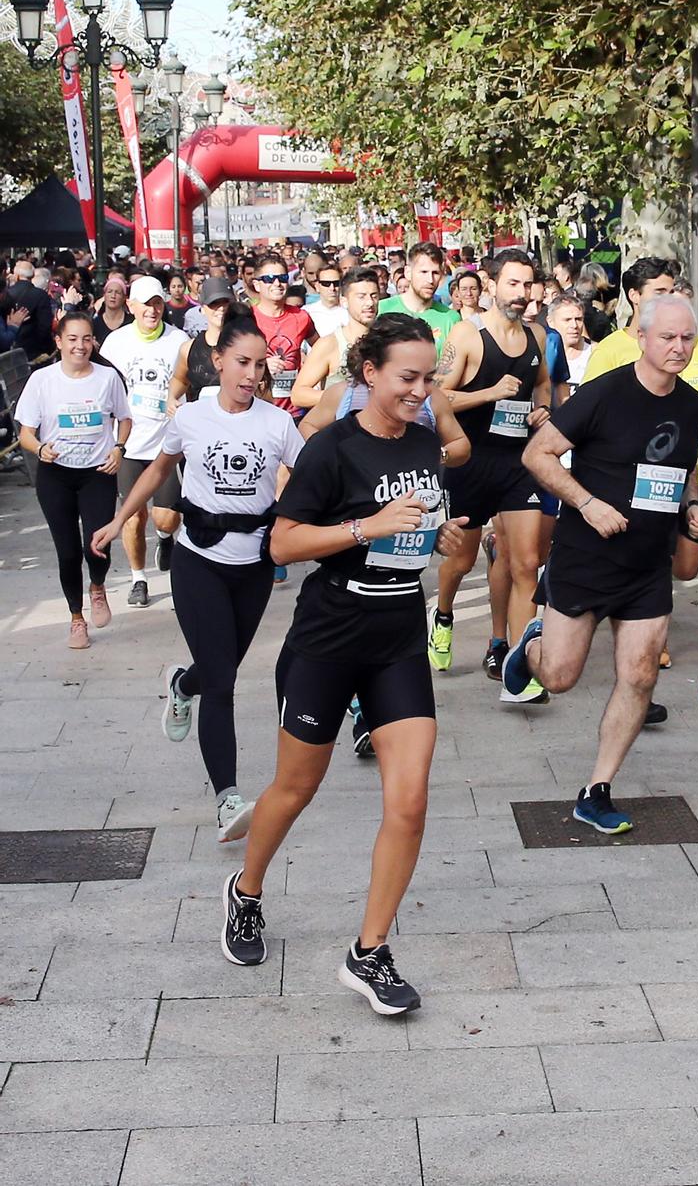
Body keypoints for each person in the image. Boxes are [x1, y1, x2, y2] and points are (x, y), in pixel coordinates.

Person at [222, 314, 468, 1015]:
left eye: (429, 378)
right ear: (370, 374)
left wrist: (441, 535)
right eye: (408, 378)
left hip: (396, 636)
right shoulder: (330, 448)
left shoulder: (426, 445)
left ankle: (370, 952)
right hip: (328, 637)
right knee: (294, 790)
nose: (422, 390)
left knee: (410, 800)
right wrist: (367, 528)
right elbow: (282, 544)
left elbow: (423, 533)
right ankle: (247, 892)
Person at [499, 295, 698, 832]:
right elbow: (537, 455)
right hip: (586, 556)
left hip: (646, 565)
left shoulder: (690, 404)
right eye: (667, 337)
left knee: (640, 675)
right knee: (562, 676)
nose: (678, 348)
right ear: (641, 337)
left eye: (687, 338)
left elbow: (682, 468)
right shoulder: (603, 394)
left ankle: (597, 789)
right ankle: (532, 647)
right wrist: (588, 504)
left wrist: (691, 508)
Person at [95, 318, 301, 843]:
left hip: (253, 565)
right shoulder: (191, 417)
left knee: (218, 669)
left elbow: (313, 478)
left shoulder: (277, 426)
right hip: (198, 560)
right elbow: (158, 470)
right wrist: (121, 519)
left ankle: (181, 684)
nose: (252, 375)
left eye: (260, 365)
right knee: (225, 683)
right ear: (220, 362)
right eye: (242, 363)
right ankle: (227, 799)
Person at [583, 256, 698, 674]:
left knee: (685, 567)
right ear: (634, 297)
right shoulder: (613, 349)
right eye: (659, 291)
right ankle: (646, 649)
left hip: (691, 472)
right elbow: (586, 415)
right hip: (626, 482)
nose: (669, 298)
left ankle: (641, 639)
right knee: (645, 560)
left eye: (673, 290)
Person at [428, 248, 551, 677]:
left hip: (518, 464)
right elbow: (436, 396)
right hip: (470, 461)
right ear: (492, 284)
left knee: (526, 563)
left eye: (527, 284)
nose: (521, 293)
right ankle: (443, 616)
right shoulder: (466, 334)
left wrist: (542, 408)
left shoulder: (536, 335)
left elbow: (543, 384)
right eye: (512, 283)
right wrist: (488, 393)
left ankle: (519, 665)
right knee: (461, 562)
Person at [16, 310, 130, 648]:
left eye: (85, 339)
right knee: (67, 553)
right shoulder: (42, 380)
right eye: (72, 339)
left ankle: (97, 585)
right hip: (56, 476)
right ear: (59, 342)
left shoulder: (108, 377)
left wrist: (119, 449)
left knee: (97, 544)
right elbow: (25, 434)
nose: (80, 346)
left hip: (98, 472)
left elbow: (124, 419)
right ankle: (76, 618)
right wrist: (40, 449)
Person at [101, 276, 191, 608]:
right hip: (127, 444)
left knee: (165, 517)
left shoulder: (178, 340)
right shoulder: (114, 343)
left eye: (156, 303)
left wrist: (181, 402)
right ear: (131, 306)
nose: (151, 311)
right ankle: (139, 579)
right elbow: (103, 389)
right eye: (144, 304)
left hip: (165, 445)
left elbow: (188, 382)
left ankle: (166, 538)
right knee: (132, 515)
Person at [291, 266, 381, 414]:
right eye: (361, 296)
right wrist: (347, 398)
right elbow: (299, 395)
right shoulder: (330, 344)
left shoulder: (387, 341)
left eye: (374, 295)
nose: (369, 303)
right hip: (341, 429)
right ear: (344, 301)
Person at [246, 252, 315, 411]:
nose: (277, 283)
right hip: (258, 409)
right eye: (269, 279)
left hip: (295, 411)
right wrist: (261, 366)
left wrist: (309, 369)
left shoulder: (301, 316)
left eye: (282, 278)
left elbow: (321, 348)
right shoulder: (247, 318)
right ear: (257, 285)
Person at [173, 279, 253, 406]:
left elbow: (263, 392)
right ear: (203, 309)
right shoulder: (189, 349)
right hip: (200, 423)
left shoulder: (248, 347)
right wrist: (171, 399)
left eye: (226, 303)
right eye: (214, 303)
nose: (221, 308)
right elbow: (180, 380)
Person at [377, 241, 460, 356]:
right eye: (424, 272)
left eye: (435, 273)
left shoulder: (450, 318)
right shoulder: (382, 309)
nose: (430, 280)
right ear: (408, 272)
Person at [9, 253, 55, 364]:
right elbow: (45, 326)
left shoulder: (7, 294)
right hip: (34, 350)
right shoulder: (40, 295)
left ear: (17, 276)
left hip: (10, 348)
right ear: (33, 275)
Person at [548, 291, 594, 382]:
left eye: (578, 319)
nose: (574, 325)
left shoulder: (596, 352)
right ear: (550, 322)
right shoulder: (542, 354)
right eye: (567, 320)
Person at [305, 260, 350, 341]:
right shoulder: (306, 313)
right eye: (326, 284)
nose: (332, 288)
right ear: (317, 286)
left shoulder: (351, 312)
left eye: (336, 283)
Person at [91, 273, 132, 344]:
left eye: (118, 293)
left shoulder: (131, 322)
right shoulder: (94, 323)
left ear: (124, 297)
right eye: (109, 292)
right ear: (104, 295)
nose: (113, 296)